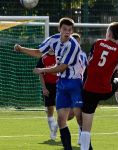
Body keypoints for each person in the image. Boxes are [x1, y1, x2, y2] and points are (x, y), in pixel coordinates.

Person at [15, 17, 83, 150]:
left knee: (79, 117)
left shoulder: (74, 45)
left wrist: (42, 70)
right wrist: (21, 49)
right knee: (61, 119)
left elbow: (62, 67)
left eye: (70, 30)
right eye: (64, 29)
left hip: (75, 83)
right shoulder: (53, 40)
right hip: (62, 83)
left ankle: (87, 145)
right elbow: (38, 53)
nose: (67, 32)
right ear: (59, 29)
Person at [80, 22, 118, 150]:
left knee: (86, 127)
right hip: (105, 89)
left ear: (109, 34)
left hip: (88, 89)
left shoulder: (97, 43)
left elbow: (90, 63)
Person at [35, 50, 58, 140]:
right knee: (49, 107)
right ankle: (52, 130)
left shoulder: (59, 55)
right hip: (48, 85)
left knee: (62, 108)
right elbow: (39, 73)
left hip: (60, 84)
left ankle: (55, 128)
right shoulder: (43, 57)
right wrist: (44, 88)